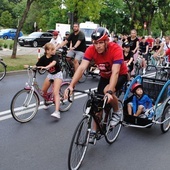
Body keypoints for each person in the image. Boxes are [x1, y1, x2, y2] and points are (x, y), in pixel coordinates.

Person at [64, 27, 128, 144]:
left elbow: (116, 72)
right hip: (104, 76)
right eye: (95, 43)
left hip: (120, 75)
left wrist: (109, 92)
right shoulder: (91, 50)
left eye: (100, 43)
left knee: (107, 91)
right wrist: (71, 86)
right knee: (97, 104)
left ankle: (117, 111)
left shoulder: (116, 49)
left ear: (106, 41)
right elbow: (82, 68)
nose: (97, 46)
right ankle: (94, 131)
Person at [36, 42, 63, 119]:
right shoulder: (43, 58)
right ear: (47, 51)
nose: (54, 51)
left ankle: (57, 112)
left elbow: (54, 63)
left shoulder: (55, 56)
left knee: (55, 92)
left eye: (54, 49)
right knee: (43, 91)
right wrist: (31, 67)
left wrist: (46, 67)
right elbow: (37, 65)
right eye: (52, 49)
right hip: (50, 75)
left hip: (57, 74)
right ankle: (47, 102)